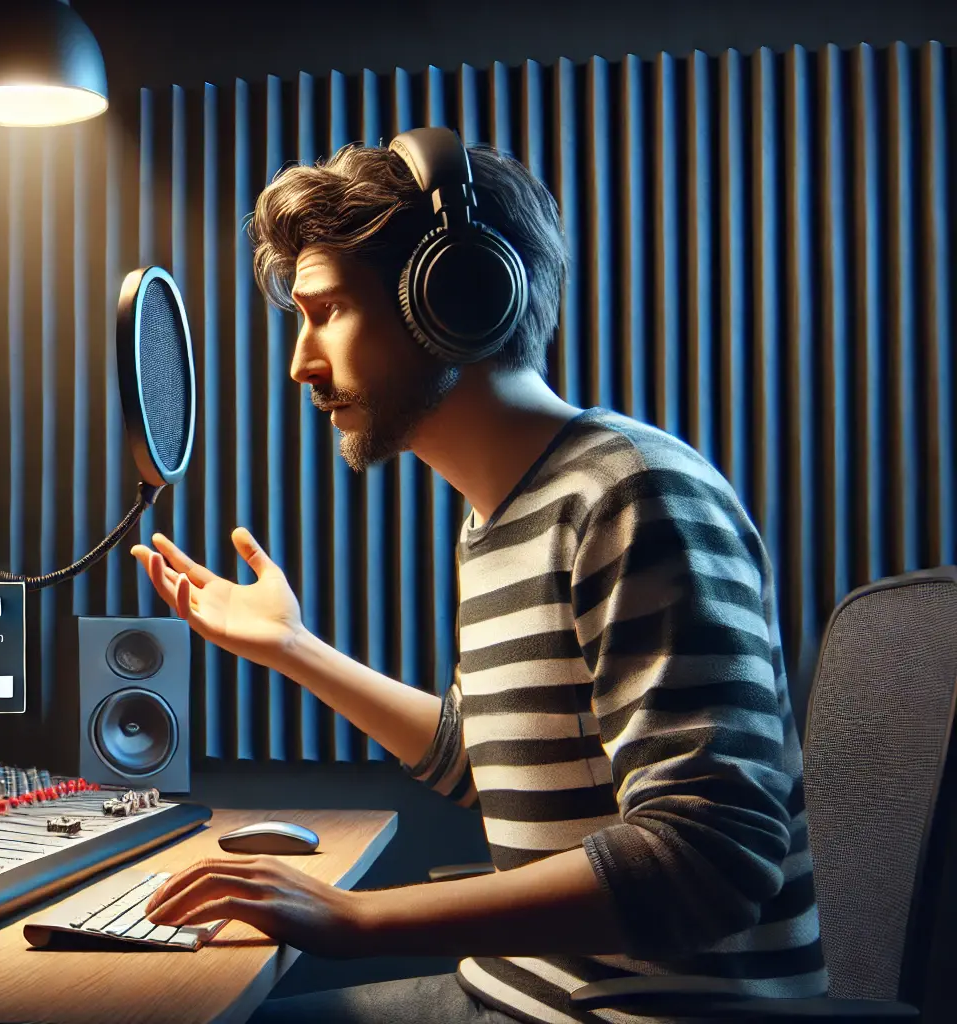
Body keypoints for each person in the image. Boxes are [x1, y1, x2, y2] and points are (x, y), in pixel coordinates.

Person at [130, 133, 826, 1023]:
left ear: (453, 297)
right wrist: (295, 650)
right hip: (527, 995)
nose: (301, 363)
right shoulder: (494, 522)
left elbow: (709, 858)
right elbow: (486, 762)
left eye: (327, 310)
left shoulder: (632, 495)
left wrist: (357, 919)